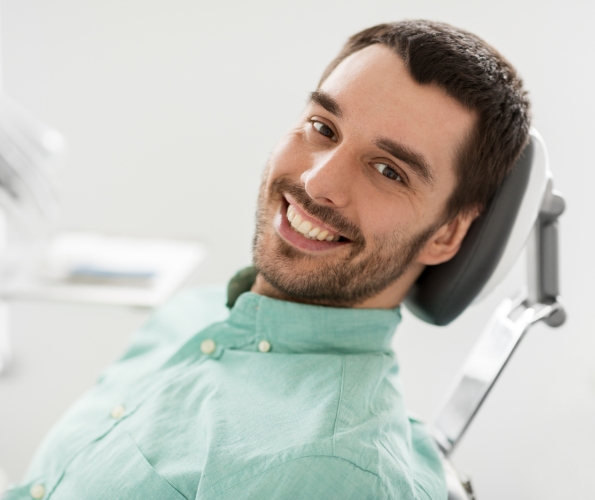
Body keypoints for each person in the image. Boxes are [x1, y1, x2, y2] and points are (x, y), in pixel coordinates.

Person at [3, 20, 530, 500]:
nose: (317, 181)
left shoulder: (336, 470)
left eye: (389, 171)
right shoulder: (190, 315)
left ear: (447, 233)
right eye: (324, 128)